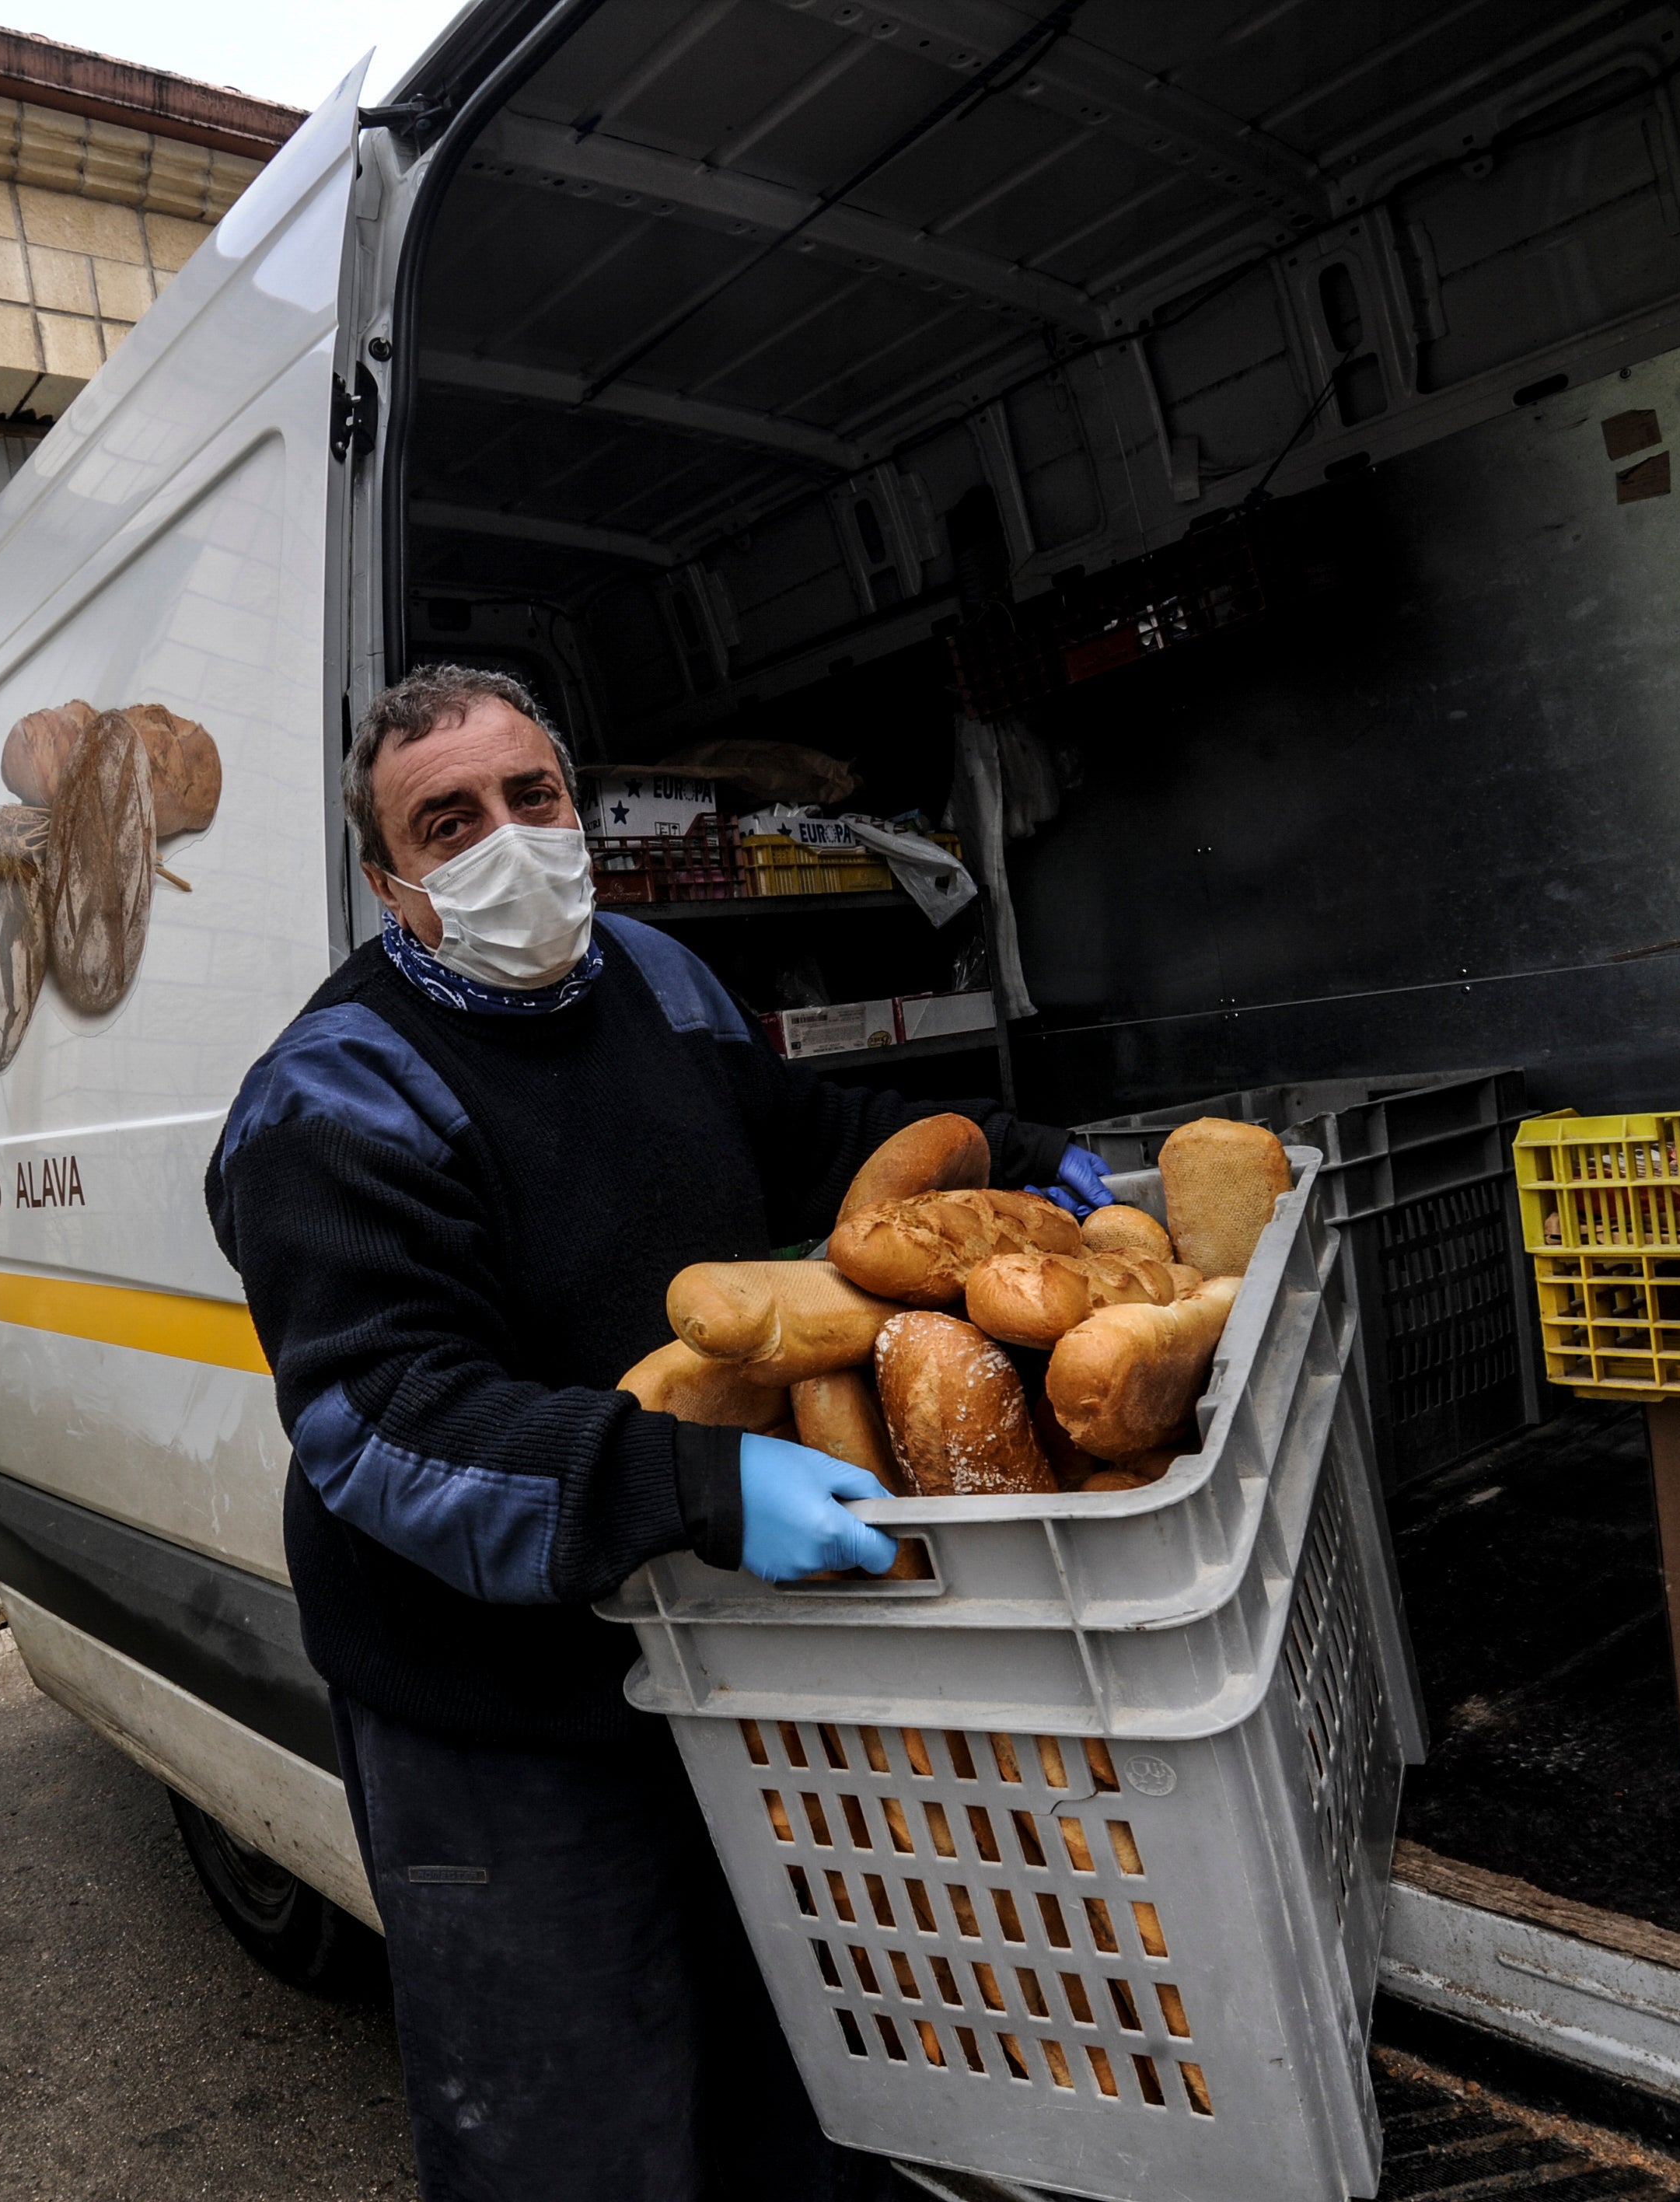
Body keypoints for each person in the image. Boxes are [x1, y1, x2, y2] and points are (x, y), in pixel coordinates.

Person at [204, 666, 1112, 2202]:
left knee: (798, 2088)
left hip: (725, 1672)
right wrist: (692, 1481)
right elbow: (386, 1422)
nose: (510, 839)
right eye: (450, 821)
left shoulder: (657, 978)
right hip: (497, 1715)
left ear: (578, 806)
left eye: (531, 796)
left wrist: (1031, 1164)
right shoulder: (333, 1095)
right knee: (576, 2134)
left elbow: (807, 1149)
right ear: (391, 883)